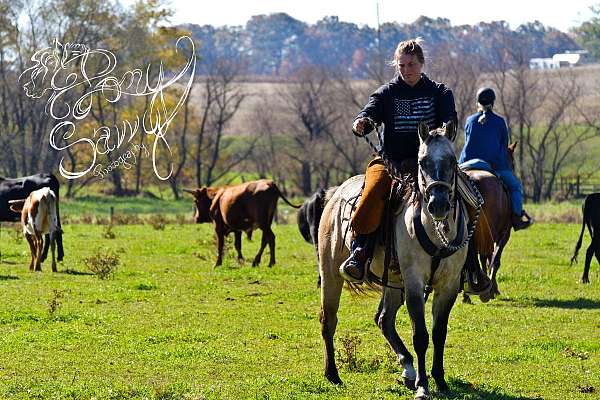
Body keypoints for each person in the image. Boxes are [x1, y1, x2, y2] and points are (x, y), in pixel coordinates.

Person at [340, 38, 491, 293]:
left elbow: (450, 118)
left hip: (433, 164)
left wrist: (443, 129)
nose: (406, 70)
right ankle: (361, 253)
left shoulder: (439, 92)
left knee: (471, 198)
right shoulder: (387, 93)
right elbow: (369, 111)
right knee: (373, 192)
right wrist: (362, 121)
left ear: (421, 64)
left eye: (411, 64)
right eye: (401, 65)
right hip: (394, 163)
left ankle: (473, 266)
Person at [459, 87, 533, 231]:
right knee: (516, 187)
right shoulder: (499, 122)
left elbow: (468, 141)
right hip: (493, 165)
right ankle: (517, 218)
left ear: (478, 102)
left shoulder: (469, 121)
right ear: (493, 102)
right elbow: (505, 145)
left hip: (466, 164)